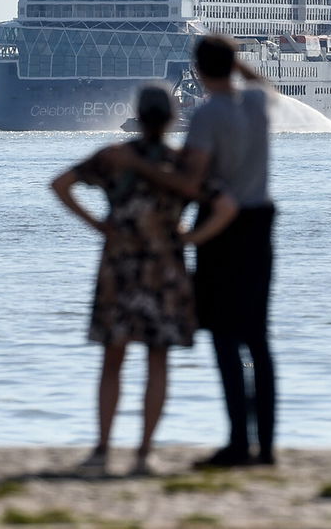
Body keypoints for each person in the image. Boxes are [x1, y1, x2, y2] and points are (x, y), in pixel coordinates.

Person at [51, 84, 234, 476]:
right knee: (157, 360)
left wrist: (99, 224)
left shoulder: (114, 158)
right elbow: (225, 205)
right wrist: (190, 237)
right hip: (166, 270)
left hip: (119, 267)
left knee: (112, 360)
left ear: (138, 114)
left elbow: (60, 185)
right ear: (171, 119)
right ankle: (144, 453)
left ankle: (102, 449)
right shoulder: (183, 163)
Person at [114, 36, 275, 468]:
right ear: (234, 65)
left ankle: (239, 442)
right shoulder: (258, 103)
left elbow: (192, 177)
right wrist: (236, 65)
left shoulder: (207, 115)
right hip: (260, 224)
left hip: (221, 230)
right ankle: (268, 448)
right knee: (258, 340)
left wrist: (146, 173)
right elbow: (259, 84)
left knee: (225, 337)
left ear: (199, 70)